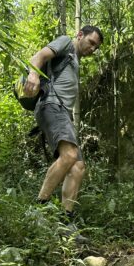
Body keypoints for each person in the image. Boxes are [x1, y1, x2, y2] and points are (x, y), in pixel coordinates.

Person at [24, 26, 103, 219]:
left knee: (78, 166)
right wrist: (33, 75)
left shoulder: (75, 60)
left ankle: (66, 221)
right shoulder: (66, 43)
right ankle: (39, 210)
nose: (92, 49)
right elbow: (39, 56)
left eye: (96, 47)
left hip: (63, 114)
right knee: (69, 155)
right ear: (80, 35)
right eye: (91, 42)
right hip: (52, 105)